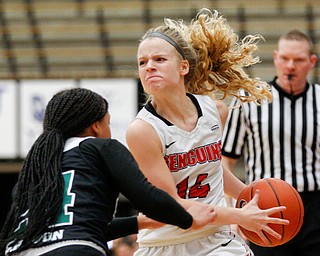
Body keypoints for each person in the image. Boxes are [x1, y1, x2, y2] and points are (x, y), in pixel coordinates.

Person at [126, 8, 289, 256]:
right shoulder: (143, 130)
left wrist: (251, 197)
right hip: (164, 244)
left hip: (216, 239)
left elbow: (210, 168)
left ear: (183, 67)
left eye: (159, 59)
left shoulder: (215, 111)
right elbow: (173, 205)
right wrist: (240, 215)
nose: (149, 67)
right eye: (142, 62)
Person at [0, 87, 218, 256]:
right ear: (96, 126)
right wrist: (188, 219)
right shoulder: (100, 147)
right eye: (108, 123)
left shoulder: (37, 168)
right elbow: (146, 196)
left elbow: (75, 227)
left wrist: (139, 223)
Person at [222, 29, 319, 256]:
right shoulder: (250, 98)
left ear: (312, 62)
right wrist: (232, 212)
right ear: (276, 58)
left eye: (298, 60)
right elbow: (226, 161)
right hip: (265, 205)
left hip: (315, 206)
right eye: (285, 58)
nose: (290, 65)